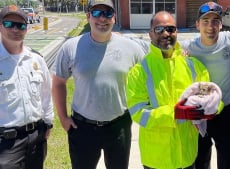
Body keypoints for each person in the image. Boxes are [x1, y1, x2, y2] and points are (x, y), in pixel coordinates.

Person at [51, 0, 145, 169]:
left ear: (114, 18)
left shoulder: (132, 48)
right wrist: (63, 118)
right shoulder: (71, 47)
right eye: (96, 13)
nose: (102, 18)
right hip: (83, 127)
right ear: (88, 17)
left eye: (108, 13)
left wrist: (178, 50)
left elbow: (150, 68)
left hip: (119, 125)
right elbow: (58, 82)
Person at [126, 11, 223, 169]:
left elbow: (212, 97)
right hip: (157, 159)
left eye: (171, 29)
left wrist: (211, 108)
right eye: (159, 29)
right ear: (150, 34)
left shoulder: (194, 66)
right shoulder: (139, 72)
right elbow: (138, 113)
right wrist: (175, 113)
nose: (166, 33)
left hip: (187, 155)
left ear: (177, 32)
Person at [0, 5, 54, 169]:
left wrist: (48, 123)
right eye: (9, 24)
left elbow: (46, 94)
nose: (16, 29)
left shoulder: (36, 59)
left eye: (21, 25)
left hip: (36, 137)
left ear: (27, 29)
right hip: (6, 144)